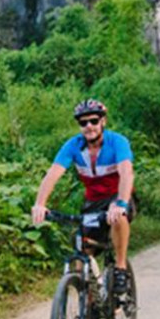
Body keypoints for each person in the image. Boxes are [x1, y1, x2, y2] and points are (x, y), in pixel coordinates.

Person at [30, 98, 136, 282]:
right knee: (82, 258)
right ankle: (87, 300)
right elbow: (53, 174)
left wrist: (120, 203)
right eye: (83, 122)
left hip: (117, 196)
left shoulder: (117, 142)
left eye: (94, 121)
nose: (89, 126)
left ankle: (120, 267)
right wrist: (40, 204)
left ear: (103, 121)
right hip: (93, 203)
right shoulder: (73, 145)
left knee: (119, 217)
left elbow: (127, 173)